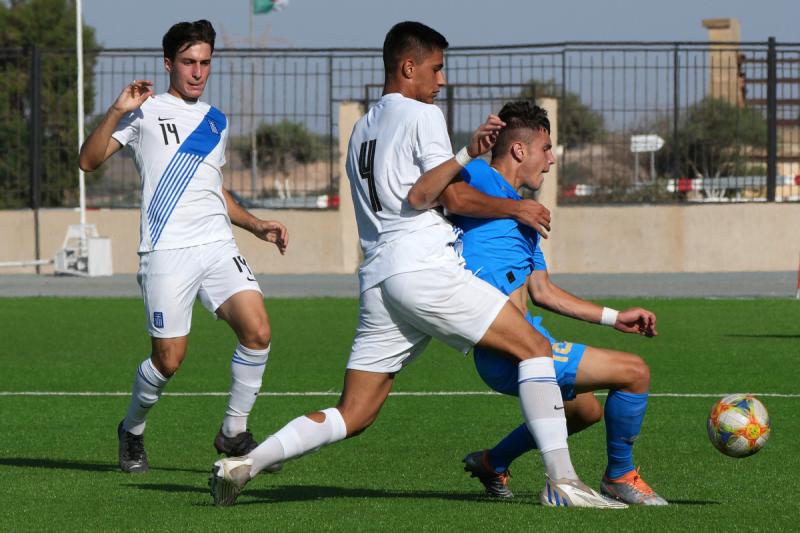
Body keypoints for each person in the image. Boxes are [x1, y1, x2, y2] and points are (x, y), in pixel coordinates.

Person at [210, 21, 624, 509]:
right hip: (422, 267)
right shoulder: (423, 115)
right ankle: (563, 482)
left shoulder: (363, 128)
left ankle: (245, 463)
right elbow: (435, 196)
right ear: (409, 67)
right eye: (437, 68)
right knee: (534, 347)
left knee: (355, 412)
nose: (441, 80)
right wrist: (485, 170)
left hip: (379, 278)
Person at [79, 20, 288, 474]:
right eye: (189, 62)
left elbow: (212, 188)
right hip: (166, 252)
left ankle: (233, 432)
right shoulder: (144, 111)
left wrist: (255, 225)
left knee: (258, 332)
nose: (197, 72)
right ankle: (132, 430)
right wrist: (116, 110)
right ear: (168, 64)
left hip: (217, 245)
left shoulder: (216, 120)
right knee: (168, 360)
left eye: (205, 63)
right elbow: (88, 160)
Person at [449, 101, 667, 505]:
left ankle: (493, 462)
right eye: (546, 149)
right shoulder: (480, 176)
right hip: (505, 347)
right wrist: (513, 205)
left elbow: (544, 292)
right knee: (634, 372)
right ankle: (619, 476)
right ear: (519, 150)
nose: (551, 160)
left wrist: (615, 317)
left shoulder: (527, 220)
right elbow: (449, 195)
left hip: (531, 338)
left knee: (585, 411)